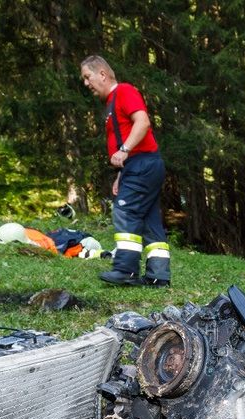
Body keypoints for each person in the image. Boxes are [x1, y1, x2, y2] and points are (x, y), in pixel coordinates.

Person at [80, 55, 170, 287]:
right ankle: (159, 276)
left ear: (102, 74)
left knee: (125, 210)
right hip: (141, 165)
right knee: (149, 219)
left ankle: (126, 270)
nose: (86, 83)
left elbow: (143, 122)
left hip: (143, 164)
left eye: (88, 77)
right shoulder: (112, 101)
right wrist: (121, 174)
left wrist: (124, 150)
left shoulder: (124, 91)